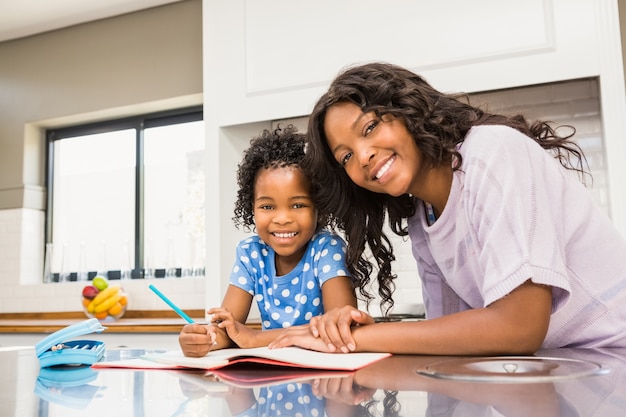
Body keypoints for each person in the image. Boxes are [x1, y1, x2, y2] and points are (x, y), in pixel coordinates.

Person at [268, 62, 626, 355]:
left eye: (371, 126)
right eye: (345, 156)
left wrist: (350, 341)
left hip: (613, 355)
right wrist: (353, 333)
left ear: (406, 109)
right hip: (566, 363)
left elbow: (520, 327)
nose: (362, 156)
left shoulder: (493, 153)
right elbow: (448, 339)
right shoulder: (423, 220)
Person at [179, 125, 356, 357]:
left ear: (319, 209)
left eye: (298, 205)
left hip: (322, 379)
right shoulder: (251, 253)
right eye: (267, 206)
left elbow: (340, 327)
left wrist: (254, 338)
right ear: (251, 208)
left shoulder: (326, 249)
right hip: (273, 378)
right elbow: (227, 331)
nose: (282, 219)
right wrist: (206, 338)